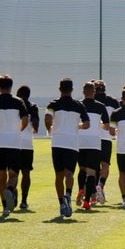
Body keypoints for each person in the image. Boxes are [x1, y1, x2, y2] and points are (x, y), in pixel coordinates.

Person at [0, 75, 28, 218]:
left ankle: (4, 207)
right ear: (11, 86)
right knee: (13, 174)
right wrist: (19, 130)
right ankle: (10, 189)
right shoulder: (18, 101)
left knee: (1, 175)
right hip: (14, 143)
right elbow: (25, 119)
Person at [45, 78, 90, 218]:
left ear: (60, 89)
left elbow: (47, 119)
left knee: (59, 175)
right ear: (72, 90)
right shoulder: (79, 105)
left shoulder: (53, 104)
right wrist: (77, 126)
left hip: (57, 142)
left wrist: (50, 129)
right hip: (72, 143)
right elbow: (87, 124)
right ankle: (68, 195)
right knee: (69, 173)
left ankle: (61, 204)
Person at [77, 81, 109, 210]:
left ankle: (81, 189)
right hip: (94, 142)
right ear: (94, 92)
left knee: (82, 169)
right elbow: (106, 125)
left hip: (80, 141)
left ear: (83, 92)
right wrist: (98, 125)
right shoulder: (101, 106)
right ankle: (87, 201)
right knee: (91, 172)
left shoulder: (78, 104)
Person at [93, 80, 120, 203]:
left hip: (93, 137)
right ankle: (101, 185)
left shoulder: (91, 100)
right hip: (107, 137)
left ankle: (94, 192)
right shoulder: (113, 101)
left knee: (93, 167)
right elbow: (119, 115)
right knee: (105, 165)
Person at [16, 85, 40, 210]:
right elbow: (35, 123)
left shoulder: (15, 104)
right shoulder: (33, 106)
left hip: (14, 143)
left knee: (13, 172)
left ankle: (12, 193)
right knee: (26, 173)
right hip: (27, 144)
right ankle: (24, 200)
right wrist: (35, 128)